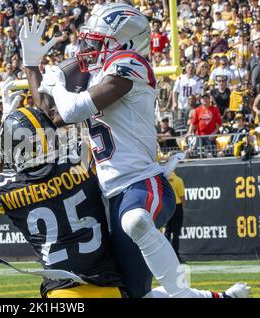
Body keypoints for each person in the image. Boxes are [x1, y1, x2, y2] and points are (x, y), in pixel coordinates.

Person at [20, 5, 249, 298]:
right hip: (110, 196)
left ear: (125, 41)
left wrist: (58, 86)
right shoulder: (97, 74)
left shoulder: (131, 64)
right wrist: (31, 65)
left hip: (142, 183)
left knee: (136, 220)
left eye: (98, 41)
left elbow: (74, 108)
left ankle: (183, 294)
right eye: (89, 40)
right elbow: (51, 116)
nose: (89, 48)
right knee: (133, 294)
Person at [0, 79, 125, 298]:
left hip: (61, 293)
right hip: (109, 288)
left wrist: (4, 126)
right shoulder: (81, 162)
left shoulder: (8, 190)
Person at [164, 171, 186, 263]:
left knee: (167, 232)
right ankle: (176, 255)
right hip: (177, 207)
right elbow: (182, 197)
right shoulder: (178, 180)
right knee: (176, 233)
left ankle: (165, 255)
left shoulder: (164, 180)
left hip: (167, 206)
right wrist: (183, 207)